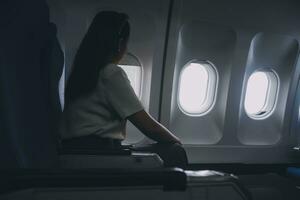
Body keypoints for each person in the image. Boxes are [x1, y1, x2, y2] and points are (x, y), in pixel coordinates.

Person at [60, 11, 188, 168]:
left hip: (76, 152)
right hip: (100, 154)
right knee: (174, 151)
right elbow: (149, 127)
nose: (126, 50)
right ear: (119, 43)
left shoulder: (81, 73)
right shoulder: (111, 73)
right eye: (126, 43)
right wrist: (176, 140)